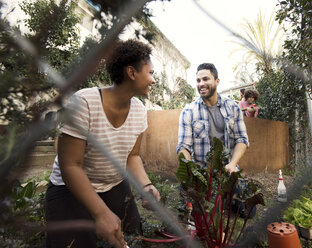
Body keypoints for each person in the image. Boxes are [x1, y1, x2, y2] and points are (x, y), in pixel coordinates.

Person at [45, 39, 161, 248]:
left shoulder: (140, 110)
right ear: (131, 73)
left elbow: (132, 156)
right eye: (150, 73)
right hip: (70, 188)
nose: (153, 80)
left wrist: (146, 186)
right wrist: (101, 212)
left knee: (134, 240)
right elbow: (70, 165)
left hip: (113, 185)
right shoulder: (84, 103)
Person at [176, 62, 249, 174]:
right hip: (200, 172)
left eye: (205, 79)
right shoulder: (188, 112)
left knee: (242, 189)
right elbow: (183, 147)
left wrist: (233, 164)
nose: (201, 84)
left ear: (217, 81)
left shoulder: (233, 108)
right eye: (198, 80)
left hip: (228, 169)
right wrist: (192, 172)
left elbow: (241, 139)